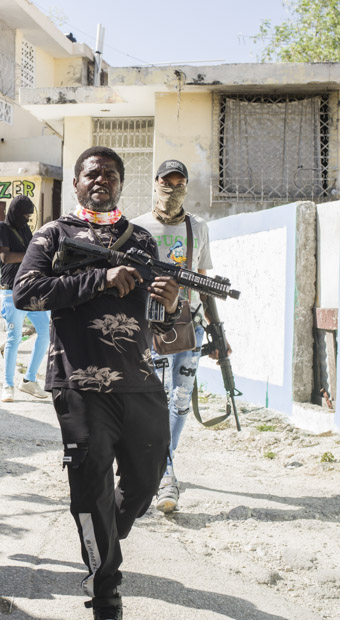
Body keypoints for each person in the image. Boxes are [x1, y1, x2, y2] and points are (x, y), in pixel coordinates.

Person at [13, 146, 181, 620]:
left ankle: (107, 543)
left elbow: (159, 326)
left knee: (146, 484)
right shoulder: (53, 234)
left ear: (121, 182)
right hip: (80, 386)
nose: (100, 179)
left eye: (109, 173)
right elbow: (26, 292)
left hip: (140, 382)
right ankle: (106, 597)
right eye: (91, 172)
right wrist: (99, 278)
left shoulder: (143, 239)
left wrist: (170, 308)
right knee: (90, 498)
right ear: (77, 182)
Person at [131, 159, 227, 514]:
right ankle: (165, 475)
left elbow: (203, 283)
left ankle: (159, 465)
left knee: (181, 401)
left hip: (189, 325)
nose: (172, 189)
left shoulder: (197, 228)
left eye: (179, 182)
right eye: (166, 182)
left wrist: (217, 334)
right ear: (154, 183)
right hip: (149, 326)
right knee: (155, 401)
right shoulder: (136, 227)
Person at [0, 195, 50, 402]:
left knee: (45, 334)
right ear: (15, 212)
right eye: (24, 216)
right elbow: (6, 257)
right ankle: (7, 386)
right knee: (13, 339)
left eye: (29, 217)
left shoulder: (25, 229)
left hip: (32, 289)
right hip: (11, 292)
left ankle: (29, 380)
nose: (26, 220)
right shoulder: (1, 227)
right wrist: (33, 255)